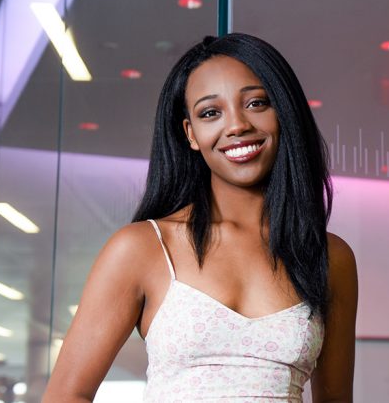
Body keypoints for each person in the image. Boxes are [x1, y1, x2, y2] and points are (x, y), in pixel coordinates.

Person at [44, 33, 358, 402]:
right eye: (211, 112)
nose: (237, 125)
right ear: (191, 134)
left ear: (284, 113)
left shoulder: (329, 258)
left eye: (257, 103)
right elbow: (65, 396)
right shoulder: (142, 248)